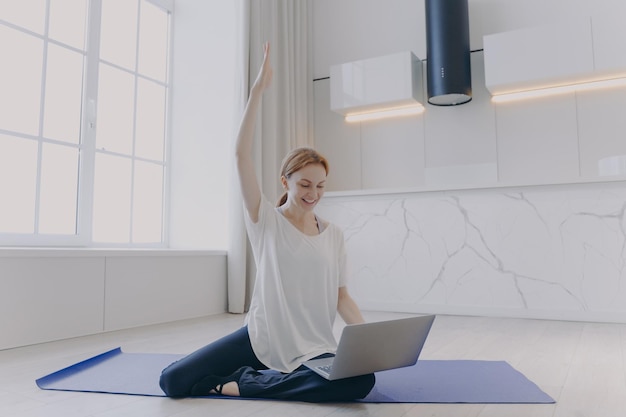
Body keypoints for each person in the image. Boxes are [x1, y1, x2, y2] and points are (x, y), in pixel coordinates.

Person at [159, 42, 375, 402]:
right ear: (285, 181)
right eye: (304, 184)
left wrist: (369, 340)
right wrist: (258, 90)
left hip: (313, 348)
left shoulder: (334, 235)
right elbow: (240, 154)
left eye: (320, 186)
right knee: (173, 380)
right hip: (260, 340)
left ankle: (239, 384)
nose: (313, 193)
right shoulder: (265, 221)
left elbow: (342, 298)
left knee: (360, 381)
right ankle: (249, 379)